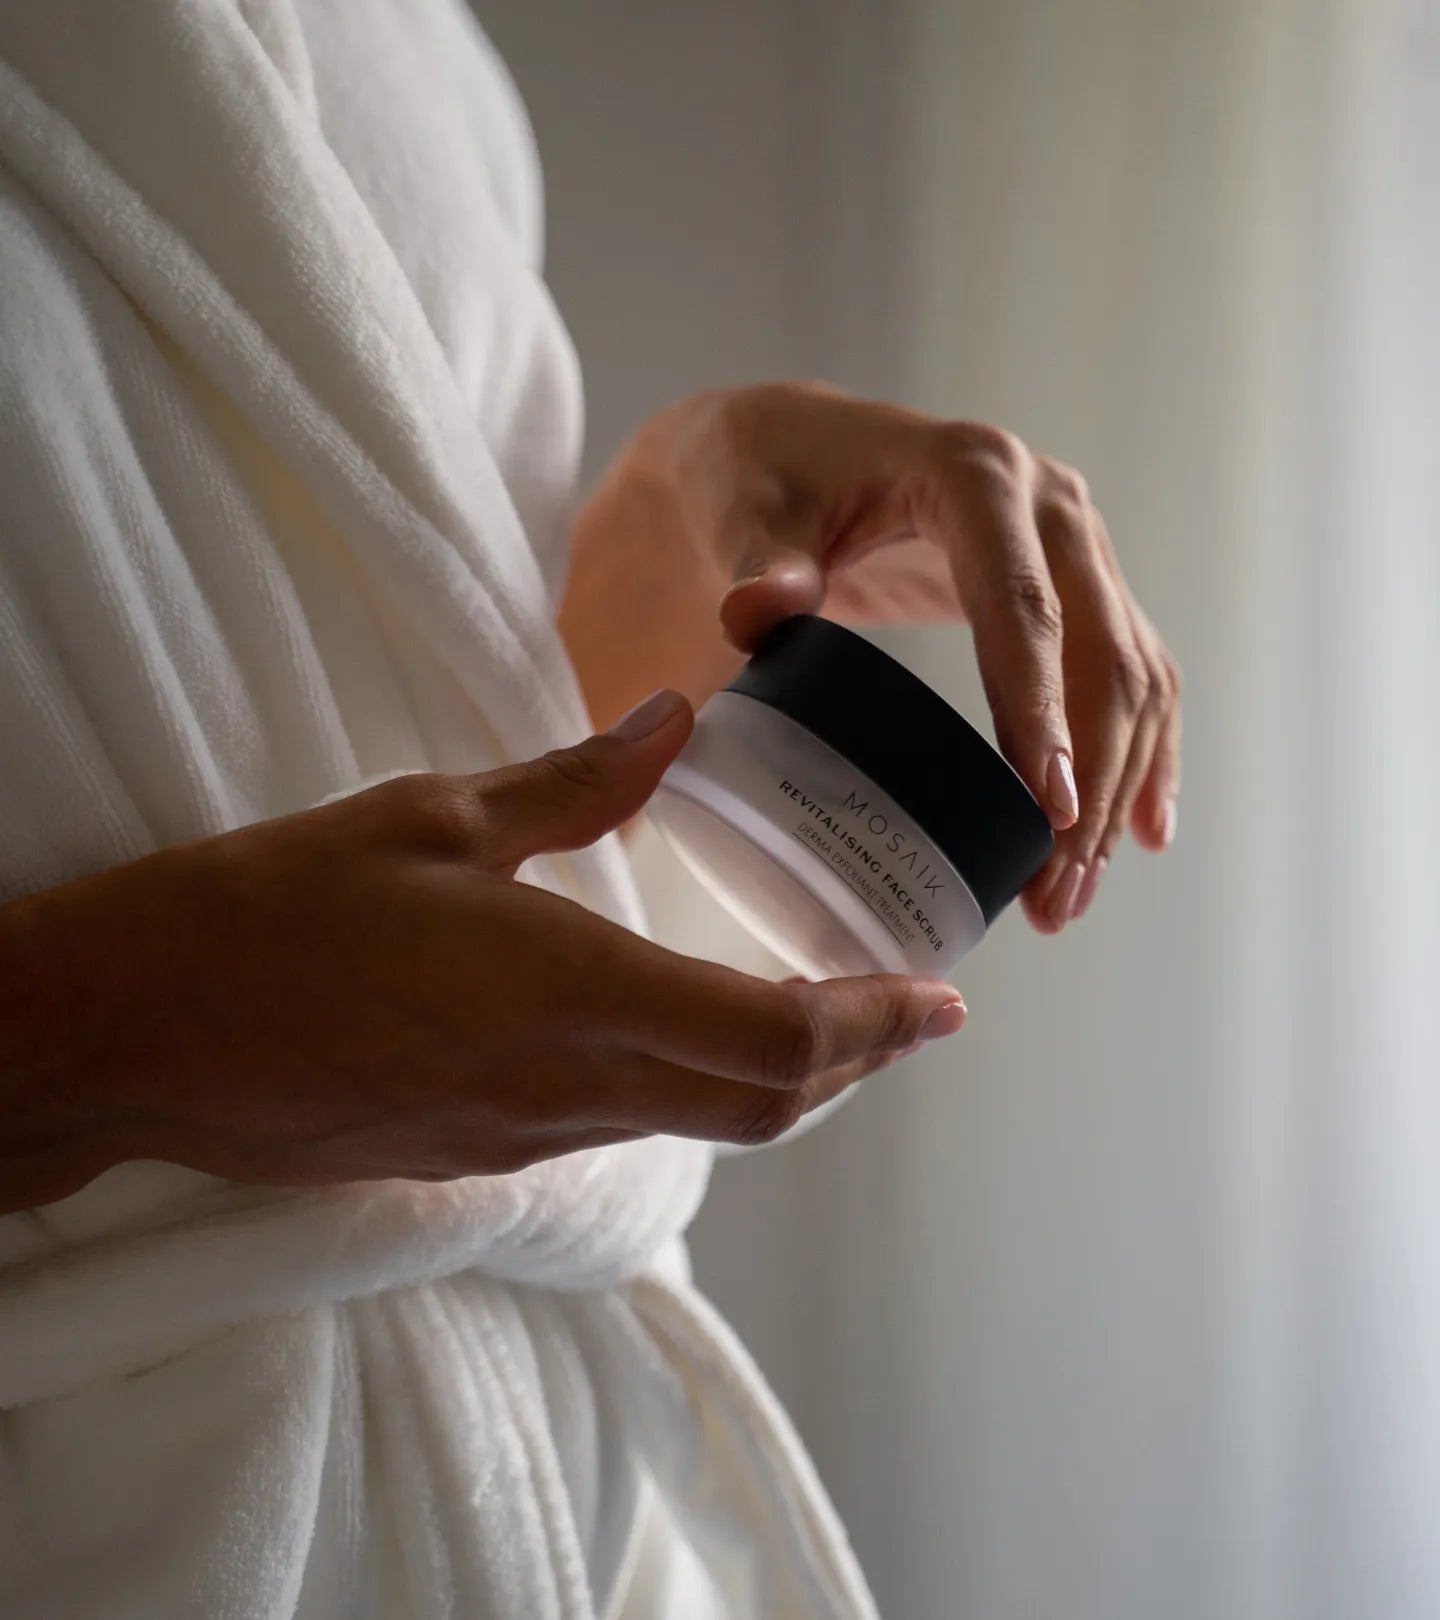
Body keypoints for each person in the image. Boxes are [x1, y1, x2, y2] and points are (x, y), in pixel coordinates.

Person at [0, 3, 1180, 1617]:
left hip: (566, 1515)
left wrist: (644, 562)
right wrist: (93, 1040)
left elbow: (391, 741)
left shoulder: (421, 50)